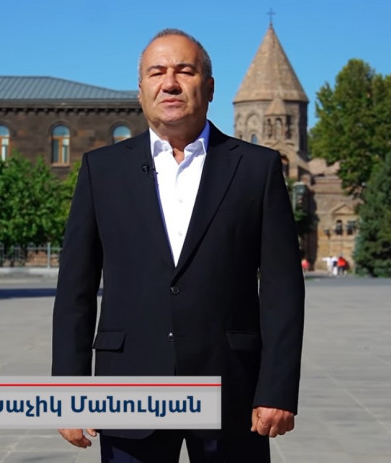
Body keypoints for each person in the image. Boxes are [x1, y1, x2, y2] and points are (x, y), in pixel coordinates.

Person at [51, 29, 305, 463]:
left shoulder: (256, 169)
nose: (169, 82)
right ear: (141, 91)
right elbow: (75, 289)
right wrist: (68, 389)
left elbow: (282, 289)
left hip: (231, 392)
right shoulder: (102, 170)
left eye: (184, 71)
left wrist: (277, 388)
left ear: (209, 87)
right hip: (129, 389)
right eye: (157, 72)